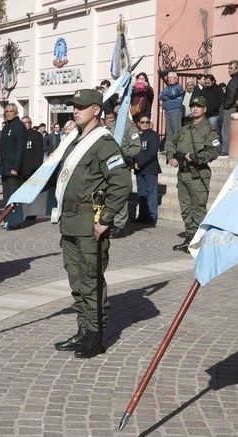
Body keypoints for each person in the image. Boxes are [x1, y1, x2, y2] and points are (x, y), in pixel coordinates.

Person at [52, 89, 131, 358]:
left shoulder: (103, 143)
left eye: (82, 106)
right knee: (76, 279)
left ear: (96, 110)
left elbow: (121, 183)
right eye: (74, 106)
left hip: (90, 222)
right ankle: (83, 329)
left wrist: (106, 218)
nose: (76, 110)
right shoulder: (75, 140)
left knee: (91, 279)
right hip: (71, 221)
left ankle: (96, 336)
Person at [164, 96, 220, 251]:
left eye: (198, 106)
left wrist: (197, 157)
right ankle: (189, 238)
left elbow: (215, 150)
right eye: (192, 106)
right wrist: (171, 156)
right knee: (186, 208)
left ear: (205, 109)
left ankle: (198, 241)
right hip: (183, 174)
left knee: (198, 208)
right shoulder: (185, 128)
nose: (195, 108)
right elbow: (171, 142)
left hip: (198, 175)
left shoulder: (209, 129)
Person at [104, 110, 141, 237]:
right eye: (115, 107)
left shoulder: (129, 127)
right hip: (108, 167)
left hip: (122, 166)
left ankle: (119, 225)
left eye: (120, 107)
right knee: (109, 195)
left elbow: (136, 147)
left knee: (120, 195)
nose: (117, 110)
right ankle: (110, 222)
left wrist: (121, 153)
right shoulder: (111, 127)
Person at [0, 104, 26, 229]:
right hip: (4, 167)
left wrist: (16, 167)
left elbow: (20, 149)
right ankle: (7, 220)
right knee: (6, 197)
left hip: (13, 169)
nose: (8, 113)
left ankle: (15, 222)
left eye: (11, 111)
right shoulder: (6, 126)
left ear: (16, 113)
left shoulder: (19, 127)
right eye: (6, 111)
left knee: (14, 196)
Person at [133, 114, 161, 224]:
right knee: (142, 194)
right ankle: (142, 215)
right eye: (142, 122)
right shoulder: (136, 136)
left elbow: (152, 153)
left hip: (150, 168)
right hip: (139, 170)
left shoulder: (153, 135)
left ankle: (151, 216)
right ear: (138, 124)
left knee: (151, 193)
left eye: (147, 122)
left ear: (150, 124)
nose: (145, 124)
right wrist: (132, 163)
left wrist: (139, 164)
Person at [220, 60, 238, 156]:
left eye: (231, 68)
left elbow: (231, 94)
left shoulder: (235, 80)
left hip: (231, 107)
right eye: (228, 68)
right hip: (234, 106)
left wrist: (226, 106)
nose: (229, 70)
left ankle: (225, 150)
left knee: (226, 129)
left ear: (237, 68)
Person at [159, 71, 185, 139]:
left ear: (176, 78)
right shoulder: (167, 87)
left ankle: (178, 148)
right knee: (169, 133)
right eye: (168, 78)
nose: (170, 79)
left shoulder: (179, 87)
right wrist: (167, 95)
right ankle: (169, 149)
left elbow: (173, 94)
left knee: (176, 132)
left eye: (172, 77)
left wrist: (166, 95)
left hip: (175, 111)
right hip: (167, 111)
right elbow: (160, 96)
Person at [21, 116, 44, 181]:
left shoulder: (36, 135)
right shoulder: (19, 135)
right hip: (21, 169)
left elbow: (39, 153)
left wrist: (38, 167)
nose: (24, 124)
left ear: (30, 123)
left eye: (26, 122)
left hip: (31, 169)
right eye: (22, 123)